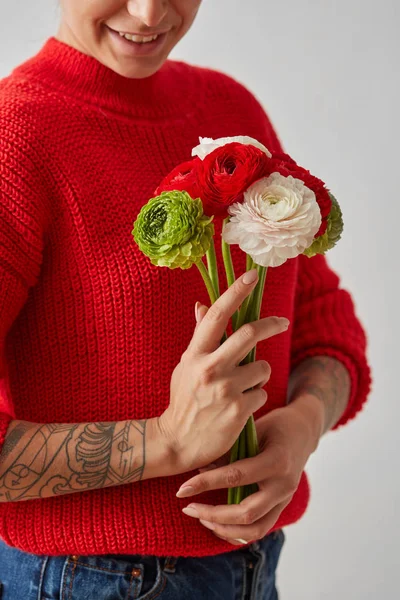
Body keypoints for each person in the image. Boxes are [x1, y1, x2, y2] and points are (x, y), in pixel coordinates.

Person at [0, 1, 372, 598]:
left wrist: (301, 425)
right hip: (84, 579)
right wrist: (167, 441)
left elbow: (324, 323)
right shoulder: (14, 137)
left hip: (254, 567)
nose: (148, 13)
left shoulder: (230, 115)